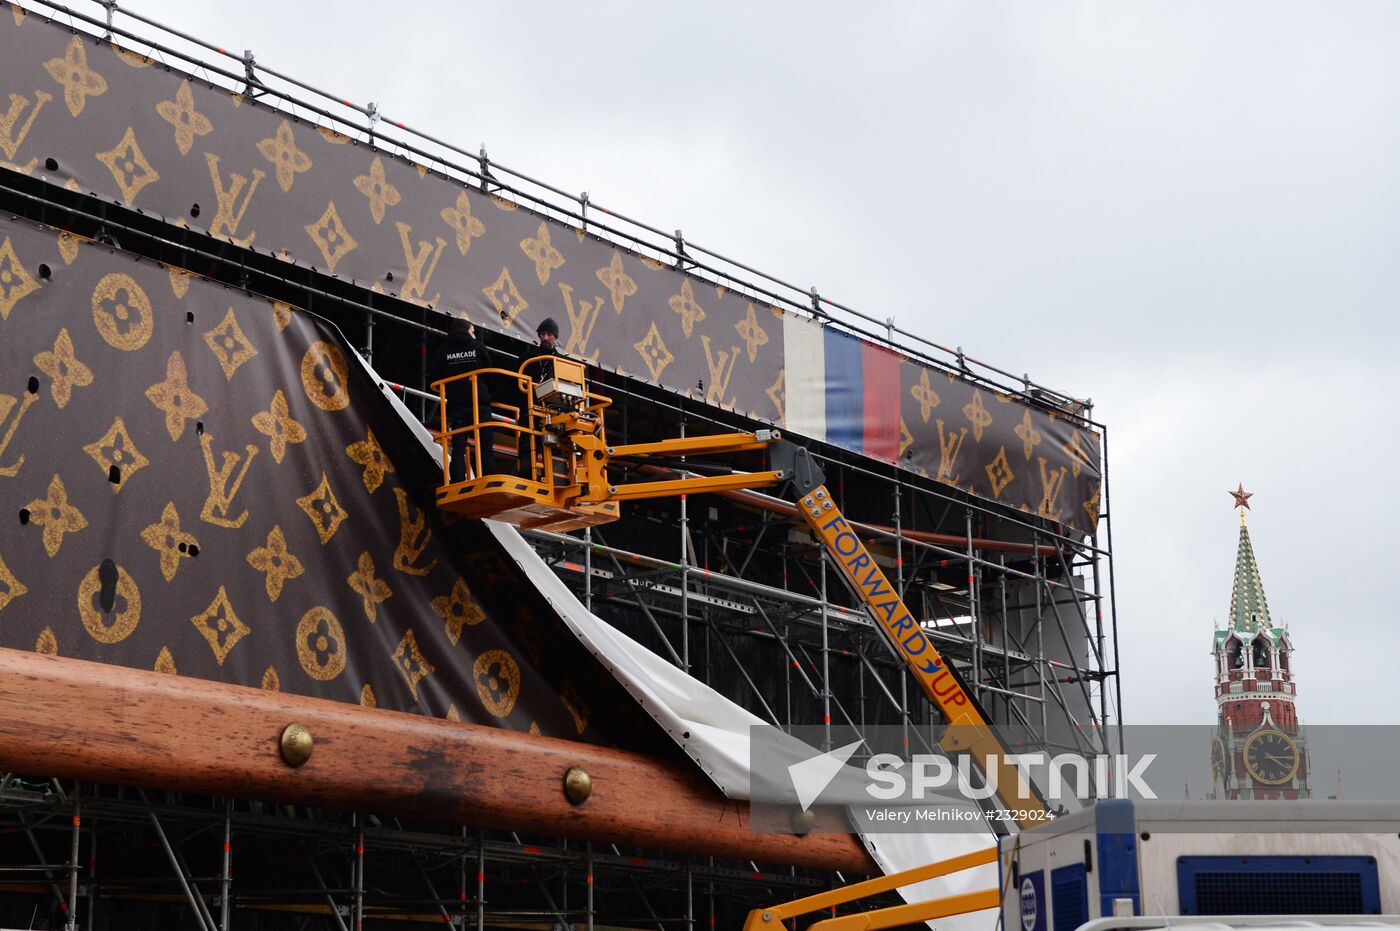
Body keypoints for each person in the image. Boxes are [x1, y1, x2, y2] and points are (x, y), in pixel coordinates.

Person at [429, 317, 496, 481]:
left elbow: (435, 376)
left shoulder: (442, 351)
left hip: (457, 405)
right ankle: (488, 479)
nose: (474, 335)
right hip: (479, 403)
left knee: (458, 445)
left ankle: (457, 478)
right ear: (467, 330)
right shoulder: (477, 347)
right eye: (473, 332)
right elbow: (489, 372)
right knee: (485, 445)